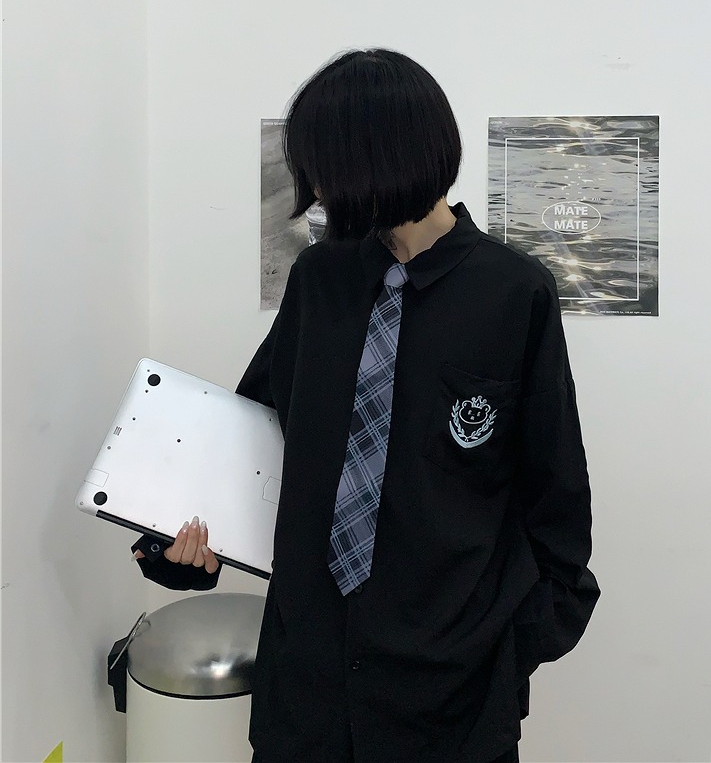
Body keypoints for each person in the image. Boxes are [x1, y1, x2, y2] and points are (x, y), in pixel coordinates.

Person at [132, 48, 601, 763]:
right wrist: (175, 545)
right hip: (306, 688)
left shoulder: (514, 293)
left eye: (327, 167)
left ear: (383, 157)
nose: (317, 190)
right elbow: (250, 438)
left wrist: (509, 645)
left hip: (451, 701)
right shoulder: (320, 279)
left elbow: (556, 493)